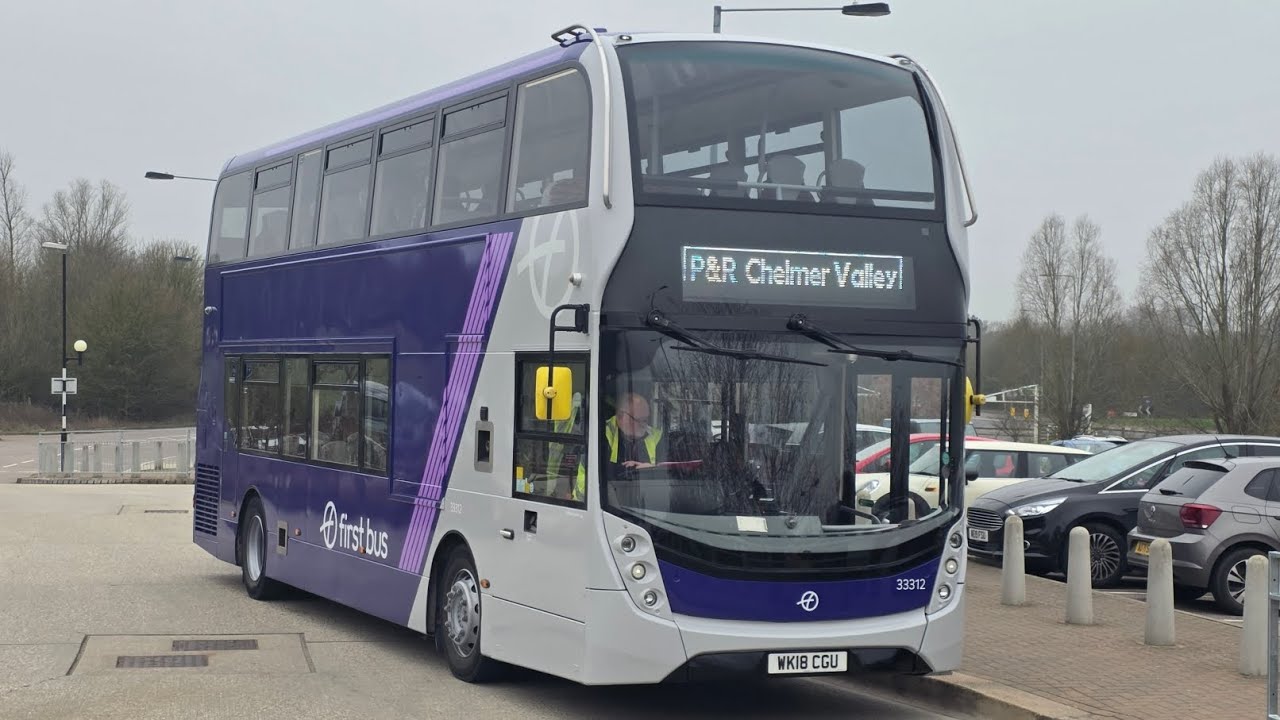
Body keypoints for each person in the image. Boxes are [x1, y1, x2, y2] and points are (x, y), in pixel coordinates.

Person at [572, 392, 665, 501]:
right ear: (621, 417)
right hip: (602, 505)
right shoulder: (600, 435)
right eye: (639, 420)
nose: (644, 424)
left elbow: (669, 474)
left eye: (646, 419)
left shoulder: (656, 437)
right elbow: (600, 477)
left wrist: (652, 470)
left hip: (646, 503)